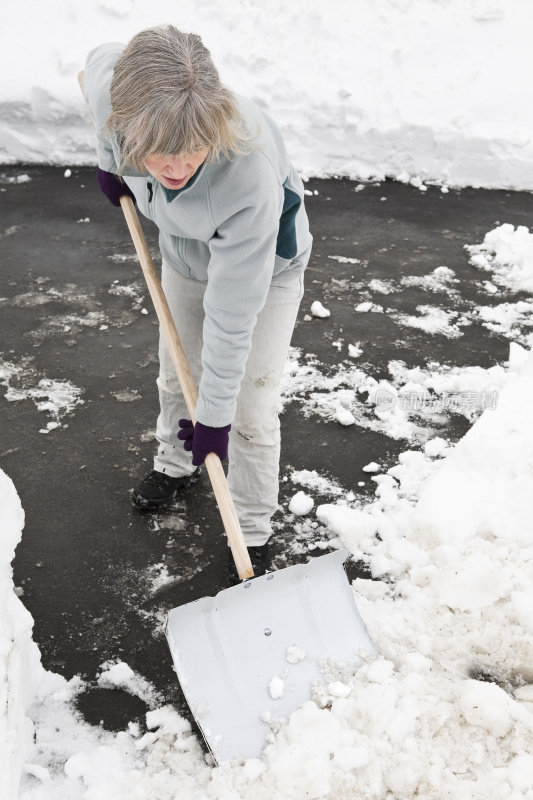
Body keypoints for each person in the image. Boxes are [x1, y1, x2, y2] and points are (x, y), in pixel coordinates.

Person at [81, 24, 312, 582]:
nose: (177, 168)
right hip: (185, 255)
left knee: (249, 410)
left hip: (265, 271)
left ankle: (250, 527)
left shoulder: (247, 170)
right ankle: (175, 464)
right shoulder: (116, 95)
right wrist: (113, 164)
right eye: (159, 155)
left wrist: (214, 420)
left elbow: (232, 317)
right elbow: (95, 64)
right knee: (174, 373)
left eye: (191, 152)